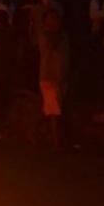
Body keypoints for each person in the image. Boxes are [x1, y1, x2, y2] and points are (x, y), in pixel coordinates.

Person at [38, 8, 69, 149]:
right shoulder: (46, 35)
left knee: (55, 111)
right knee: (53, 111)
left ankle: (49, 137)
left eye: (56, 18)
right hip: (49, 78)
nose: (54, 21)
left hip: (61, 77)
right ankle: (56, 143)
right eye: (51, 18)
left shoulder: (63, 36)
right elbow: (50, 47)